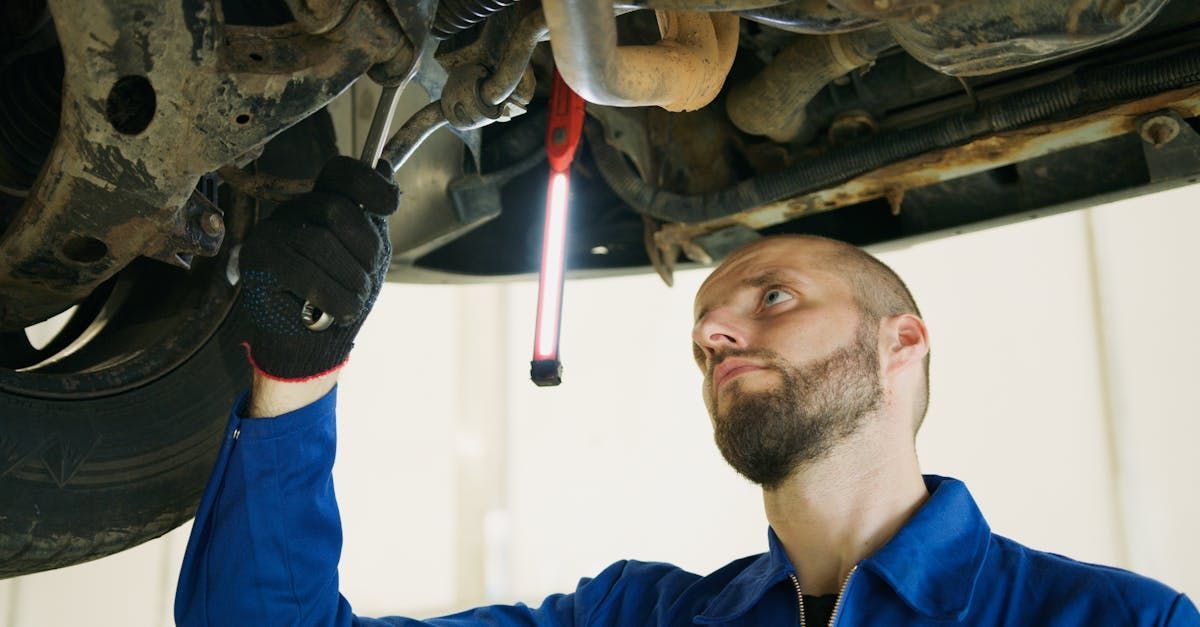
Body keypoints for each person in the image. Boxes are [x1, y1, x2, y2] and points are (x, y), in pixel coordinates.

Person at [175, 156, 1200, 626]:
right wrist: (294, 378)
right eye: (708, 323)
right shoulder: (637, 616)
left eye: (773, 296)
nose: (716, 331)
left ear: (904, 344)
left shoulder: (1112, 620)